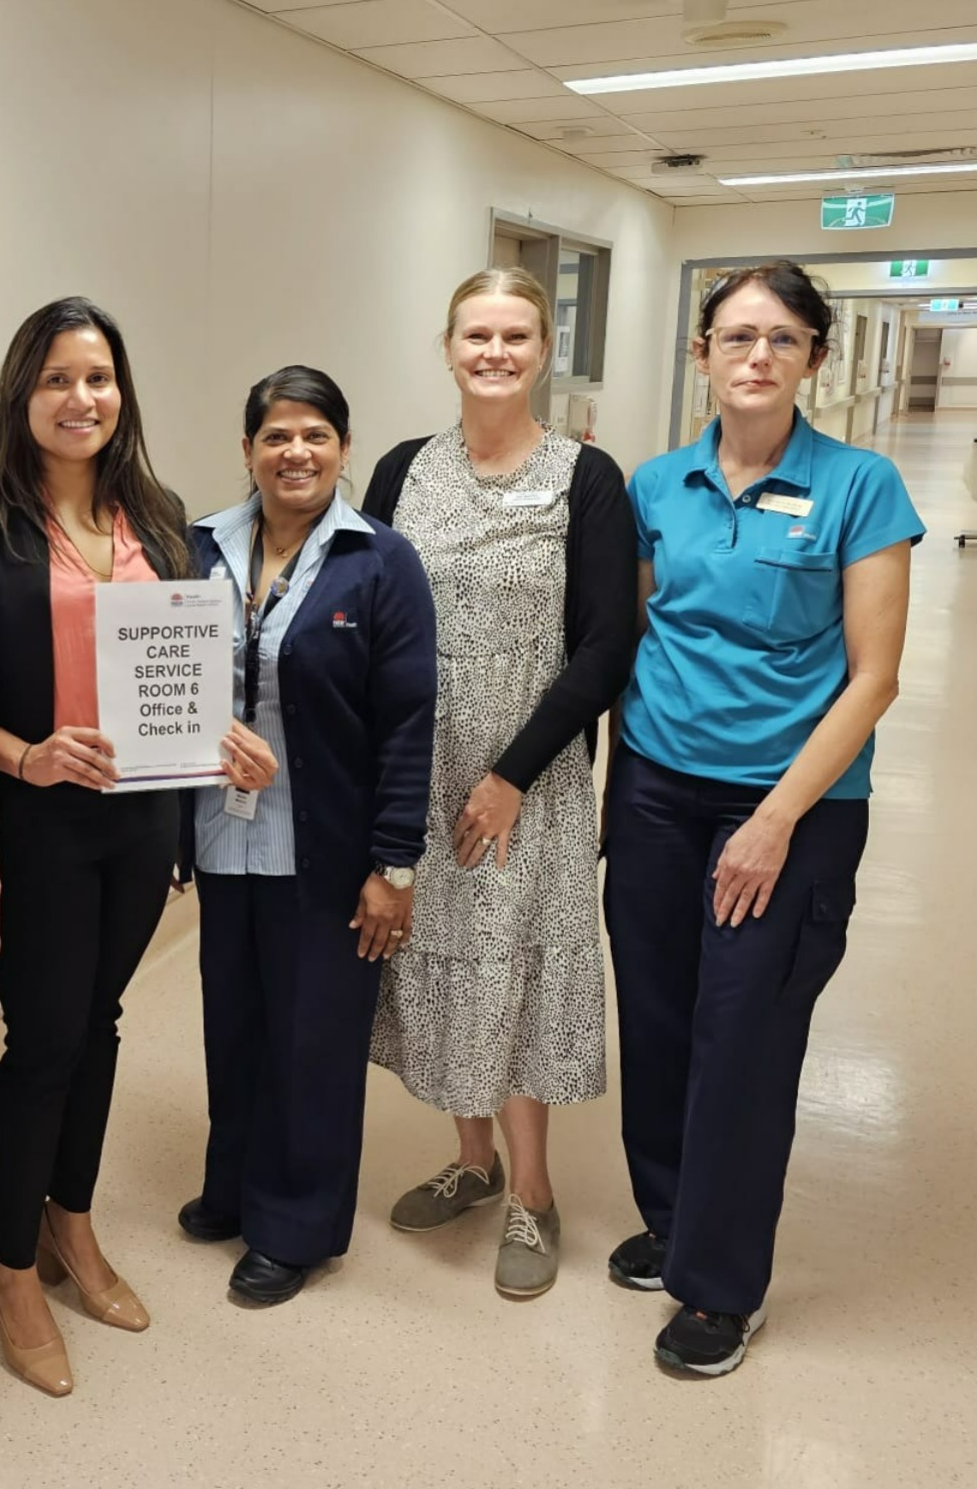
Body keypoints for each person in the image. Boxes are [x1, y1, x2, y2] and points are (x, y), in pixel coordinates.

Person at [604, 260, 920, 1377]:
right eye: (737, 337)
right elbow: (634, 635)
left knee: (743, 1035)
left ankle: (720, 1284)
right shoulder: (655, 485)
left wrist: (777, 817)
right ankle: (672, 1216)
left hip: (794, 805)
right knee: (656, 1013)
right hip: (653, 788)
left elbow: (874, 677)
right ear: (701, 354)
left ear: (815, 361)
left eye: (784, 339)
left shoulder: (860, 485)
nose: (757, 357)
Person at [0, 297, 193, 1396]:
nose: (79, 399)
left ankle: (69, 1224)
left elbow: (181, 658)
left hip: (137, 825)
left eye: (97, 378)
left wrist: (210, 731)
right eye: (55, 380)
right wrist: (27, 755)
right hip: (31, 820)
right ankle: (7, 1266)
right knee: (42, 1040)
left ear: (121, 391)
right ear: (20, 396)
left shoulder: (160, 513)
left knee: (102, 1023)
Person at [362, 268, 638, 1300]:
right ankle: (472, 1162)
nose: (495, 351)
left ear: (542, 350)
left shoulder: (587, 478)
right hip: (421, 767)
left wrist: (514, 775)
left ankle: (534, 1189)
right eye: (477, 333)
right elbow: (370, 612)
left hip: (534, 772)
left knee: (519, 968)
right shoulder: (400, 471)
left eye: (516, 334)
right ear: (447, 347)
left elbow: (608, 643)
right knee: (441, 962)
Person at [183, 366, 437, 1307]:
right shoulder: (201, 545)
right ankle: (236, 1189)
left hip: (327, 850)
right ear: (246, 448)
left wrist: (393, 864)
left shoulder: (381, 561)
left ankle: (295, 1225)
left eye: (316, 436)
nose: (296, 453)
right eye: (277, 436)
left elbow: (411, 722)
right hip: (222, 840)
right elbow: (163, 683)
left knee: (314, 1038)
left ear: (342, 448)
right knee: (235, 1024)